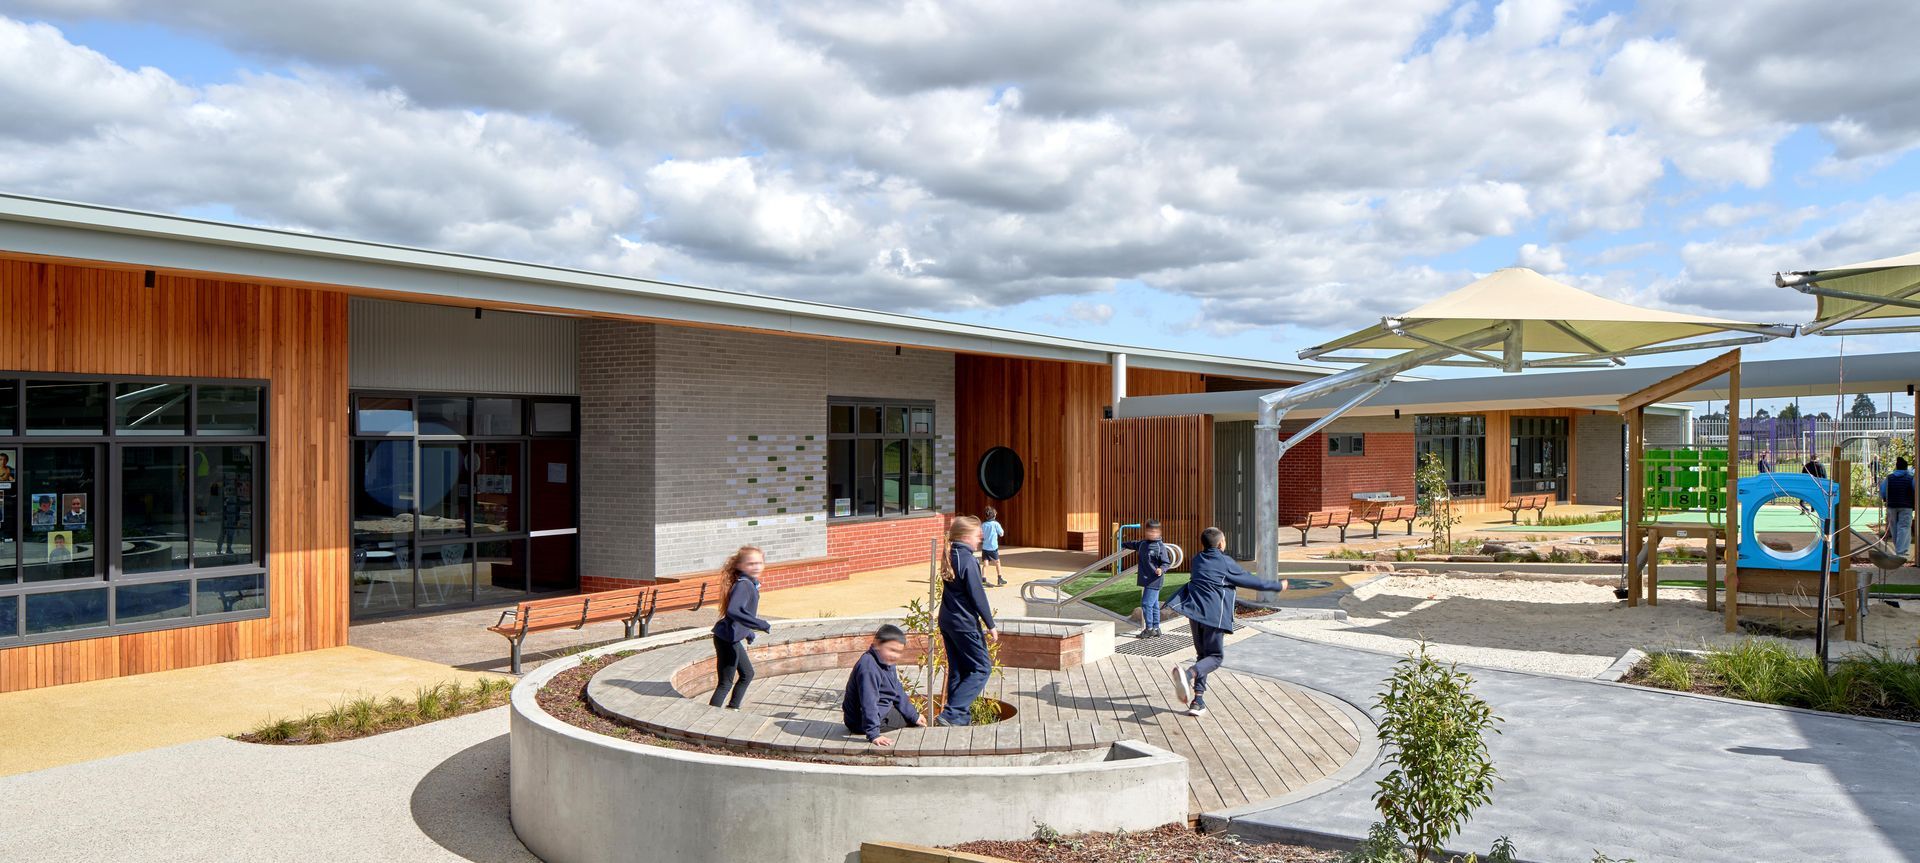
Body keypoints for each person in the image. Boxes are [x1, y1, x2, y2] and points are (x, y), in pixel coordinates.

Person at [1164, 527, 1290, 718]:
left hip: (1194, 613)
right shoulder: (1225, 562)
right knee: (1215, 657)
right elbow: (1250, 581)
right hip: (1214, 615)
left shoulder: (1197, 559)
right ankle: (1188, 675)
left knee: (1203, 656)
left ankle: (1197, 701)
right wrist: (1278, 586)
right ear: (1222, 543)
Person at [935, 515, 996, 726]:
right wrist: (991, 624)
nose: (980, 539)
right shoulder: (968, 560)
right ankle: (953, 712)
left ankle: (959, 718)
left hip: (947, 620)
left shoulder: (951, 555)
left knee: (958, 669)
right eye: (978, 536)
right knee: (981, 668)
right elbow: (977, 595)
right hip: (964, 623)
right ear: (965, 536)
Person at [708, 545, 772, 709]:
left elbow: (738, 615)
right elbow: (734, 611)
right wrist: (759, 624)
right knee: (725, 683)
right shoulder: (744, 585)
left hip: (730, 637)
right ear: (740, 566)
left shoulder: (749, 584)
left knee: (747, 674)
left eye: (759, 563)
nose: (756, 566)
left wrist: (747, 631)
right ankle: (709, 716)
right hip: (727, 639)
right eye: (750, 564)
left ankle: (732, 708)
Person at [842, 623, 926, 746]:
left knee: (911, 717)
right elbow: (868, 702)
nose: (895, 655)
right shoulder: (869, 668)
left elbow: (896, 689)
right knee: (908, 720)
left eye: (898, 652)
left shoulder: (886, 661)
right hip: (860, 722)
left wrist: (914, 715)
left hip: (879, 710)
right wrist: (874, 734)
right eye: (891, 650)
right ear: (877, 644)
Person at [1122, 519, 1173, 639]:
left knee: (1146, 604)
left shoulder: (1160, 547)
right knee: (1154, 604)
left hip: (1155, 580)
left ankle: (1149, 628)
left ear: (1159, 532)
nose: (1152, 534)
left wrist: (1161, 569)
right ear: (1146, 531)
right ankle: (1156, 628)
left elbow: (1166, 562)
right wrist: (1121, 543)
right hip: (1146, 579)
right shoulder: (1143, 544)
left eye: (1155, 531)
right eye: (1149, 531)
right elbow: (1134, 544)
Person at [1882, 457, 1915, 557]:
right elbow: (1915, 490)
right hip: (1906, 506)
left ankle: (1898, 548)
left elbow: (1883, 491)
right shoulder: (1910, 478)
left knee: (1894, 527)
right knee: (1904, 527)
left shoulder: (1889, 478)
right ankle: (1901, 551)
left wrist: (1885, 499)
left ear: (1896, 467)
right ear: (1906, 468)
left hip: (1892, 505)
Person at [980, 506, 1007, 587]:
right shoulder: (995, 524)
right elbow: (1001, 533)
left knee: (985, 564)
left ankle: (983, 580)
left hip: (985, 548)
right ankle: (999, 579)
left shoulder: (983, 524)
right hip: (993, 548)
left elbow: (981, 535)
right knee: (997, 562)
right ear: (994, 515)